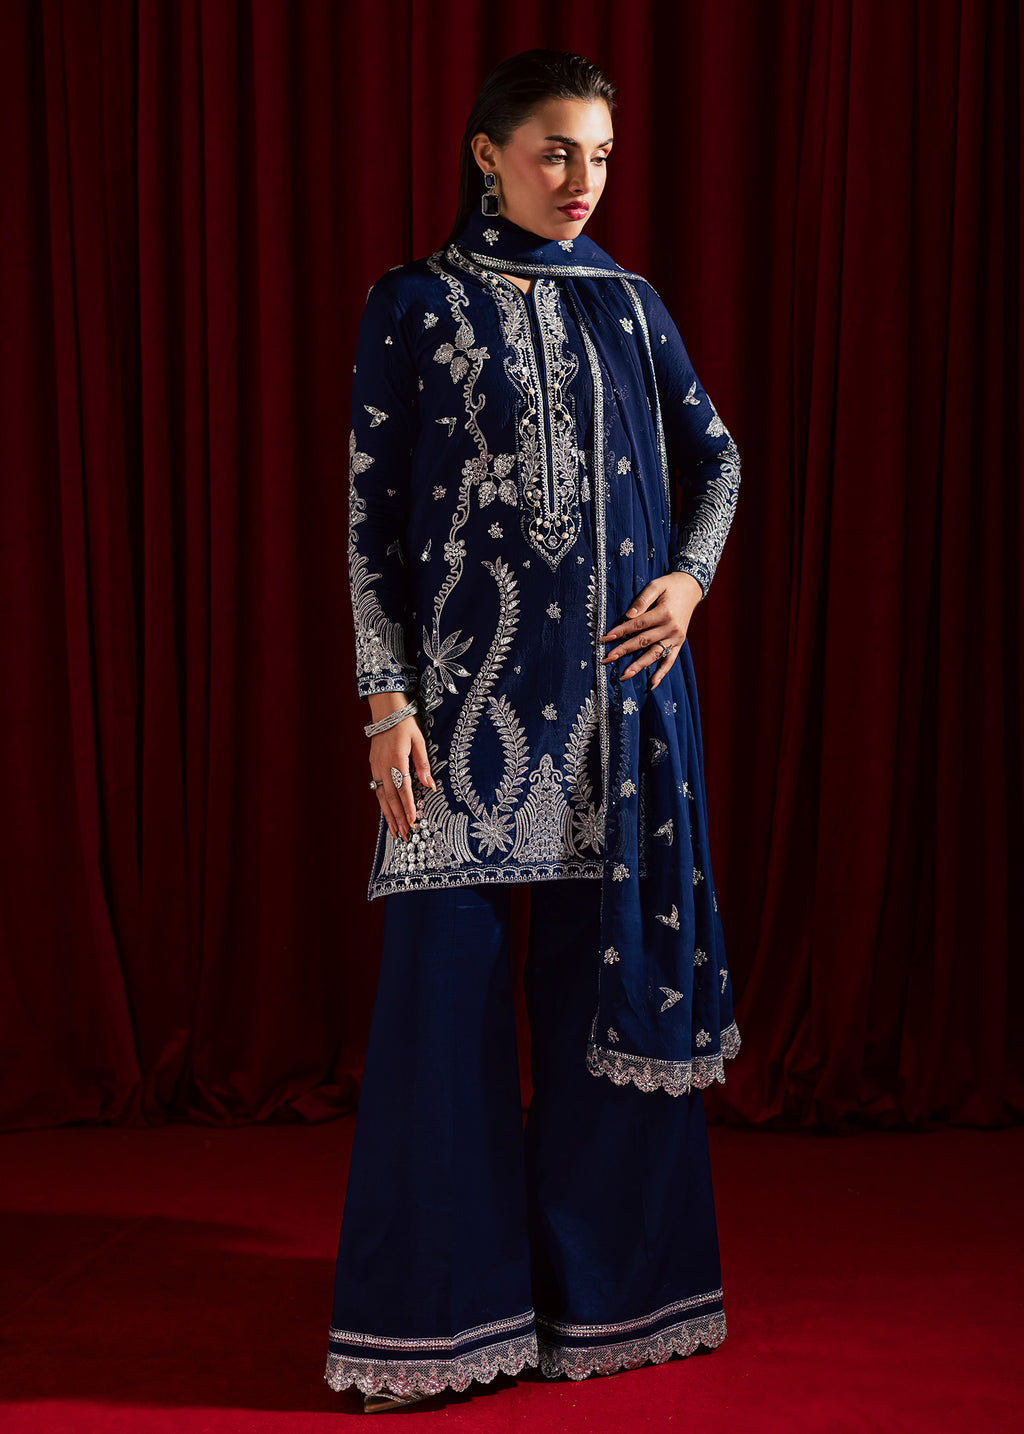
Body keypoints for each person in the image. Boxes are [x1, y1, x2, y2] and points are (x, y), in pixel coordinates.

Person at [326, 48, 742, 1414]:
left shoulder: (628, 303)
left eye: (601, 156)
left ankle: (611, 1304)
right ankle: (439, 1324)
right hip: (461, 722)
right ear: (486, 153)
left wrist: (688, 582)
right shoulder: (413, 303)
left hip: (617, 719)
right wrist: (385, 699)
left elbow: (719, 456)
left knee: (596, 1009)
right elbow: (372, 518)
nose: (583, 181)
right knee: (439, 1016)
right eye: (557, 150)